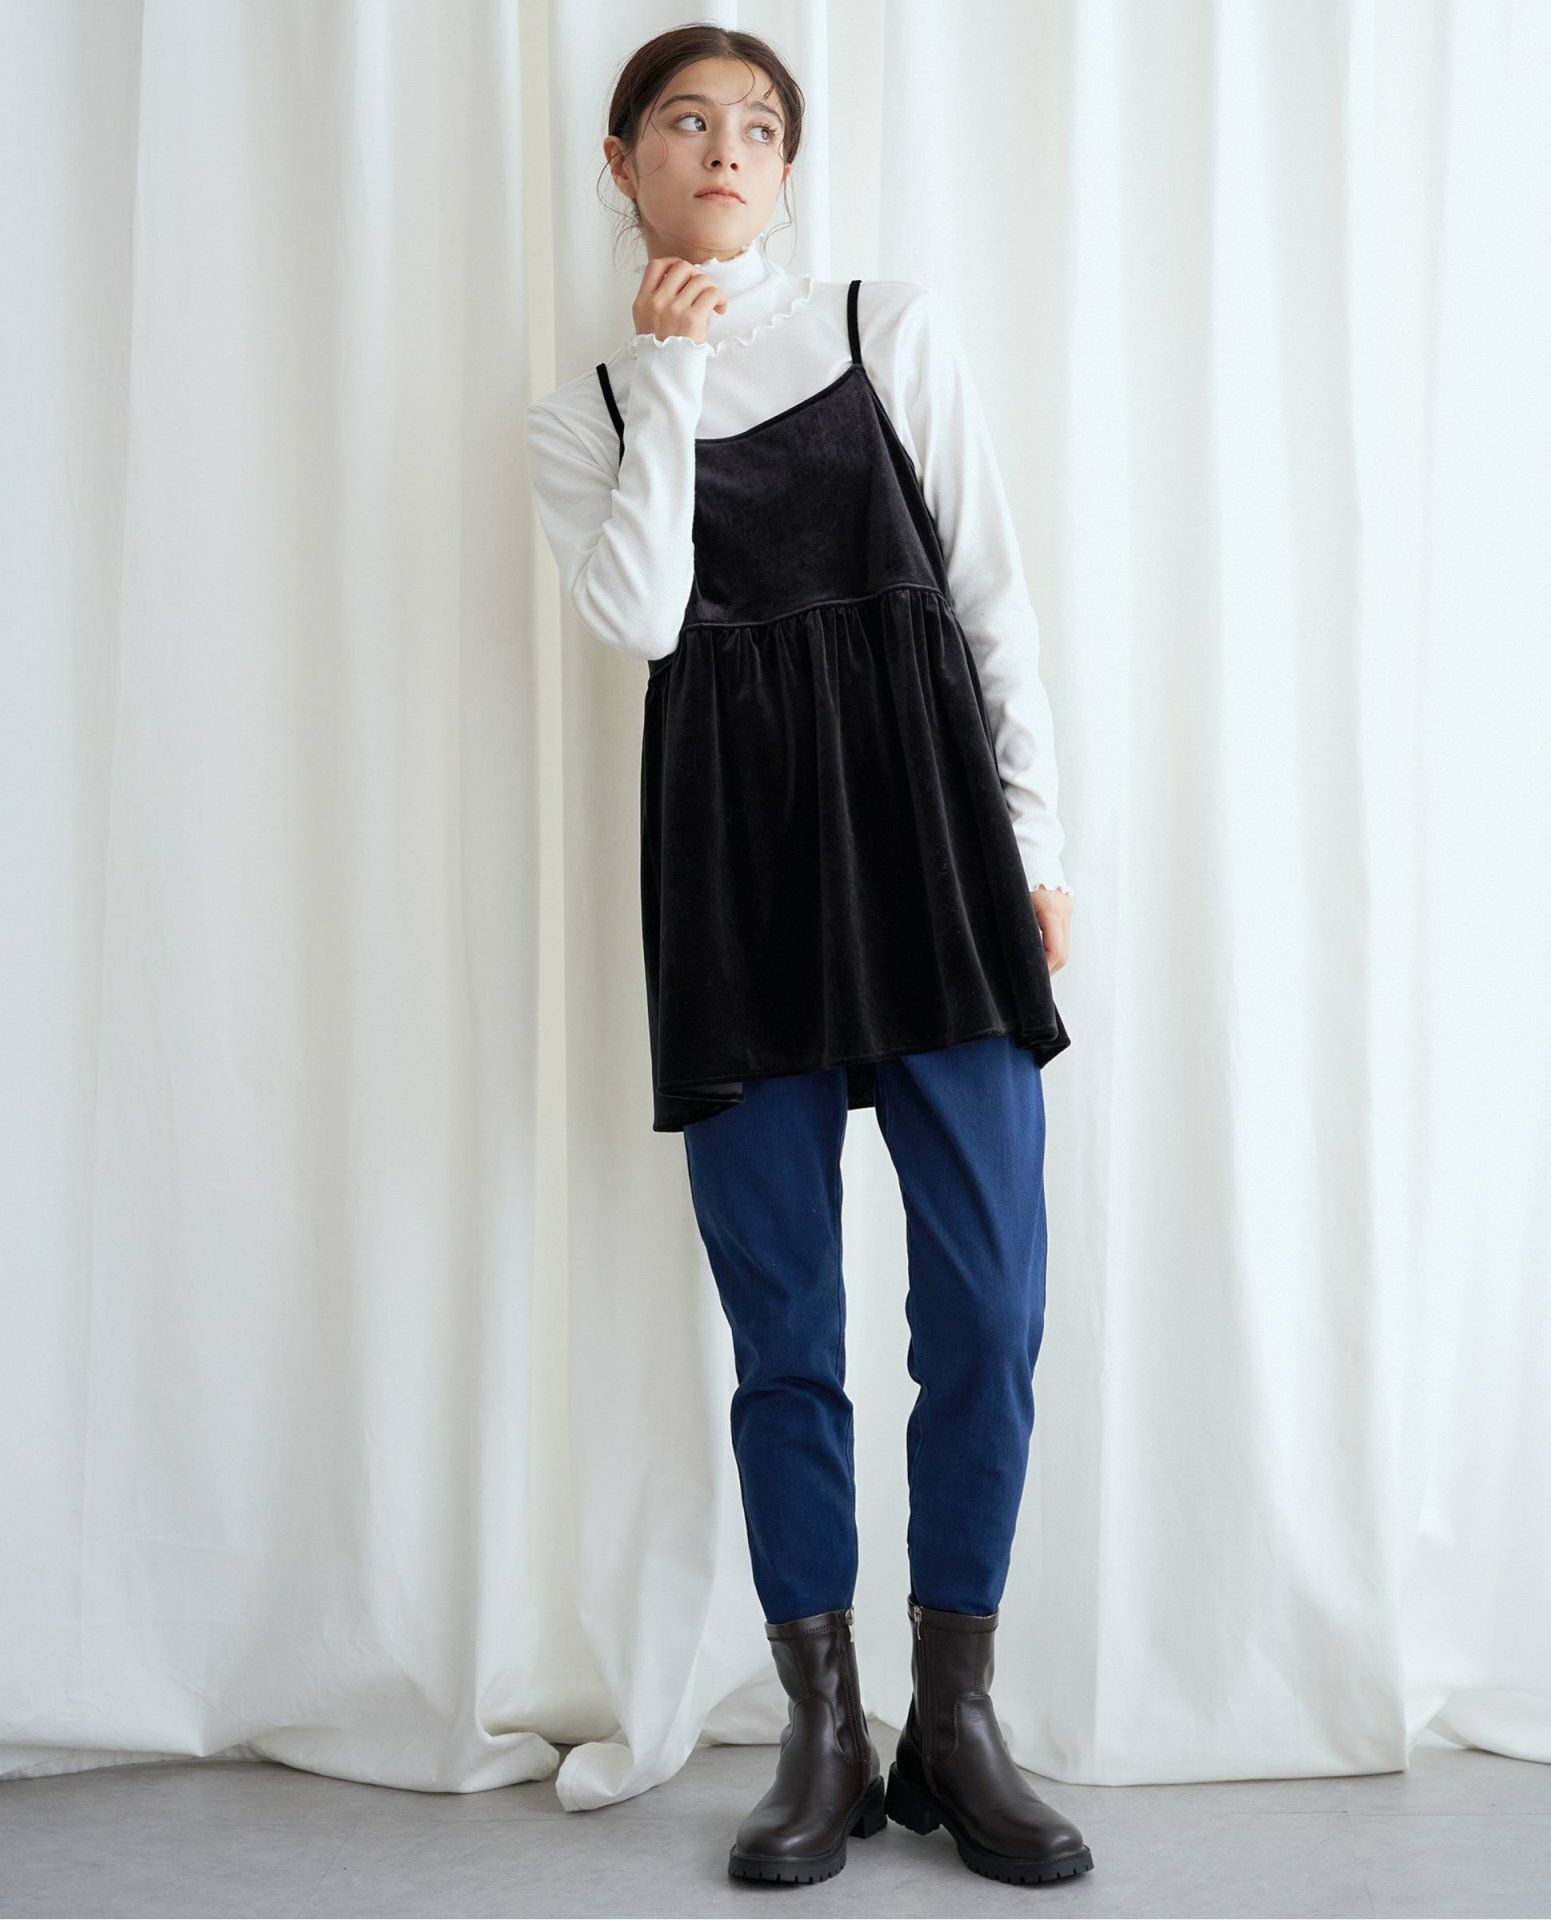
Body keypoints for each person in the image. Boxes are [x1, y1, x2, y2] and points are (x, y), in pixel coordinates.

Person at [524, 24, 1093, 1891]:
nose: (728, 148)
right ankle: (823, 1732)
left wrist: (1037, 850)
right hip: (737, 881)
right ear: (625, 159)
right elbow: (642, 617)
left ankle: (958, 1716)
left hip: (931, 849)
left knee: (989, 1307)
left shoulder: (881, 324)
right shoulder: (586, 415)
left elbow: (992, 599)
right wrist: (673, 369)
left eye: (760, 126)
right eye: (688, 120)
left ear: (787, 167)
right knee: (786, 1331)